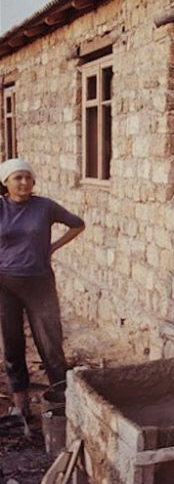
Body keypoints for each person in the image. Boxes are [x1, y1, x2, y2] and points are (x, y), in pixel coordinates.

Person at [0, 159, 85, 417]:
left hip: (39, 283)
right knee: (12, 342)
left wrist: (52, 247)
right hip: (5, 284)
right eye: (18, 178)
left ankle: (60, 400)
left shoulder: (45, 207)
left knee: (50, 344)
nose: (24, 182)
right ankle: (20, 402)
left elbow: (78, 224)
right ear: (5, 182)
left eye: (28, 177)